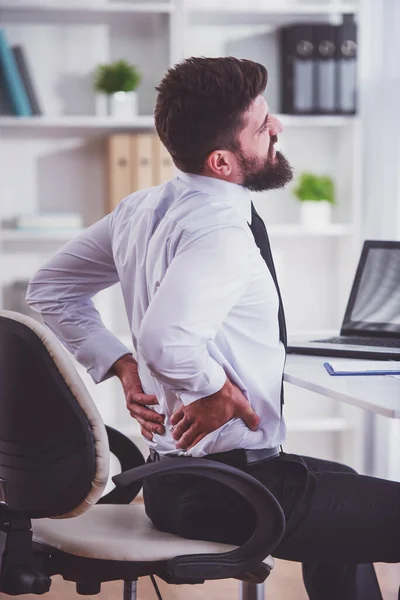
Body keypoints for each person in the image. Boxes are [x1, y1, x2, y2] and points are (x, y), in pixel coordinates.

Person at [26, 57, 399, 600]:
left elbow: (50, 286)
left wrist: (120, 363)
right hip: (235, 493)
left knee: (340, 488)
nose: (279, 129)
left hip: (170, 483)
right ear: (222, 160)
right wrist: (212, 389)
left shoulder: (144, 207)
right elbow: (165, 338)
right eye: (262, 126)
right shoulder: (222, 229)